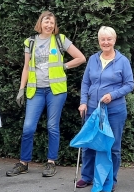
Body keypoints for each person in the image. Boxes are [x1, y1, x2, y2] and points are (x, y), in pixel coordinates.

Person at [7, 11, 86, 178]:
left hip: (55, 91)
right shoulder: (30, 41)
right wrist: (22, 88)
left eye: (52, 22)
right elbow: (26, 67)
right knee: (28, 127)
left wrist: (64, 66)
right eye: (46, 22)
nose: (49, 25)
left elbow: (81, 58)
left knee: (52, 126)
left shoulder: (60, 39)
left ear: (54, 25)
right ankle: (23, 163)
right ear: (40, 23)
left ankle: (51, 162)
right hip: (36, 90)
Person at [75, 26, 134, 191]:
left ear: (114, 40)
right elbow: (86, 82)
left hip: (114, 110)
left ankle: (110, 179)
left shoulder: (122, 61)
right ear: (99, 41)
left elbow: (129, 84)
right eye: (103, 39)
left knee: (113, 146)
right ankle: (87, 177)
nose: (106, 42)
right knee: (89, 144)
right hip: (93, 109)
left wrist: (113, 95)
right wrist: (83, 102)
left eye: (109, 39)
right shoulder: (93, 59)